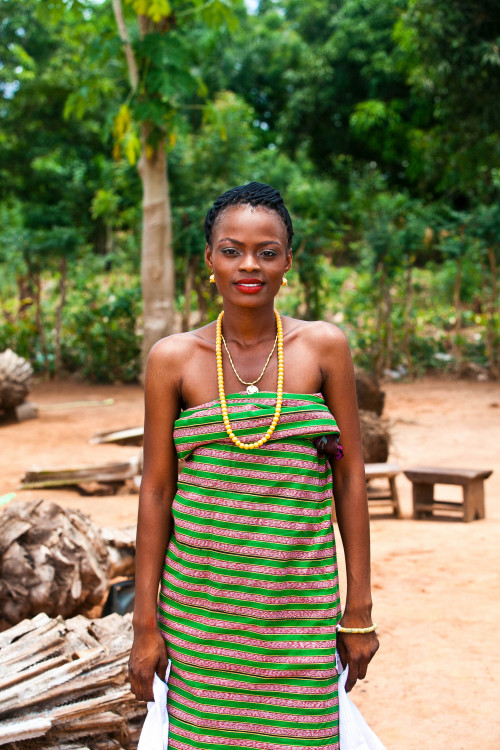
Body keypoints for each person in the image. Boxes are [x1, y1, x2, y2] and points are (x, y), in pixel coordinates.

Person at [129, 182, 379, 749]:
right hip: (200, 610)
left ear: (289, 261)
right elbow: (157, 492)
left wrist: (358, 607)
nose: (250, 265)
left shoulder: (323, 349)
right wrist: (145, 624)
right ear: (208, 259)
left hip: (300, 603)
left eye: (267, 252)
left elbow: (350, 478)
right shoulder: (173, 360)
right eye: (232, 249)